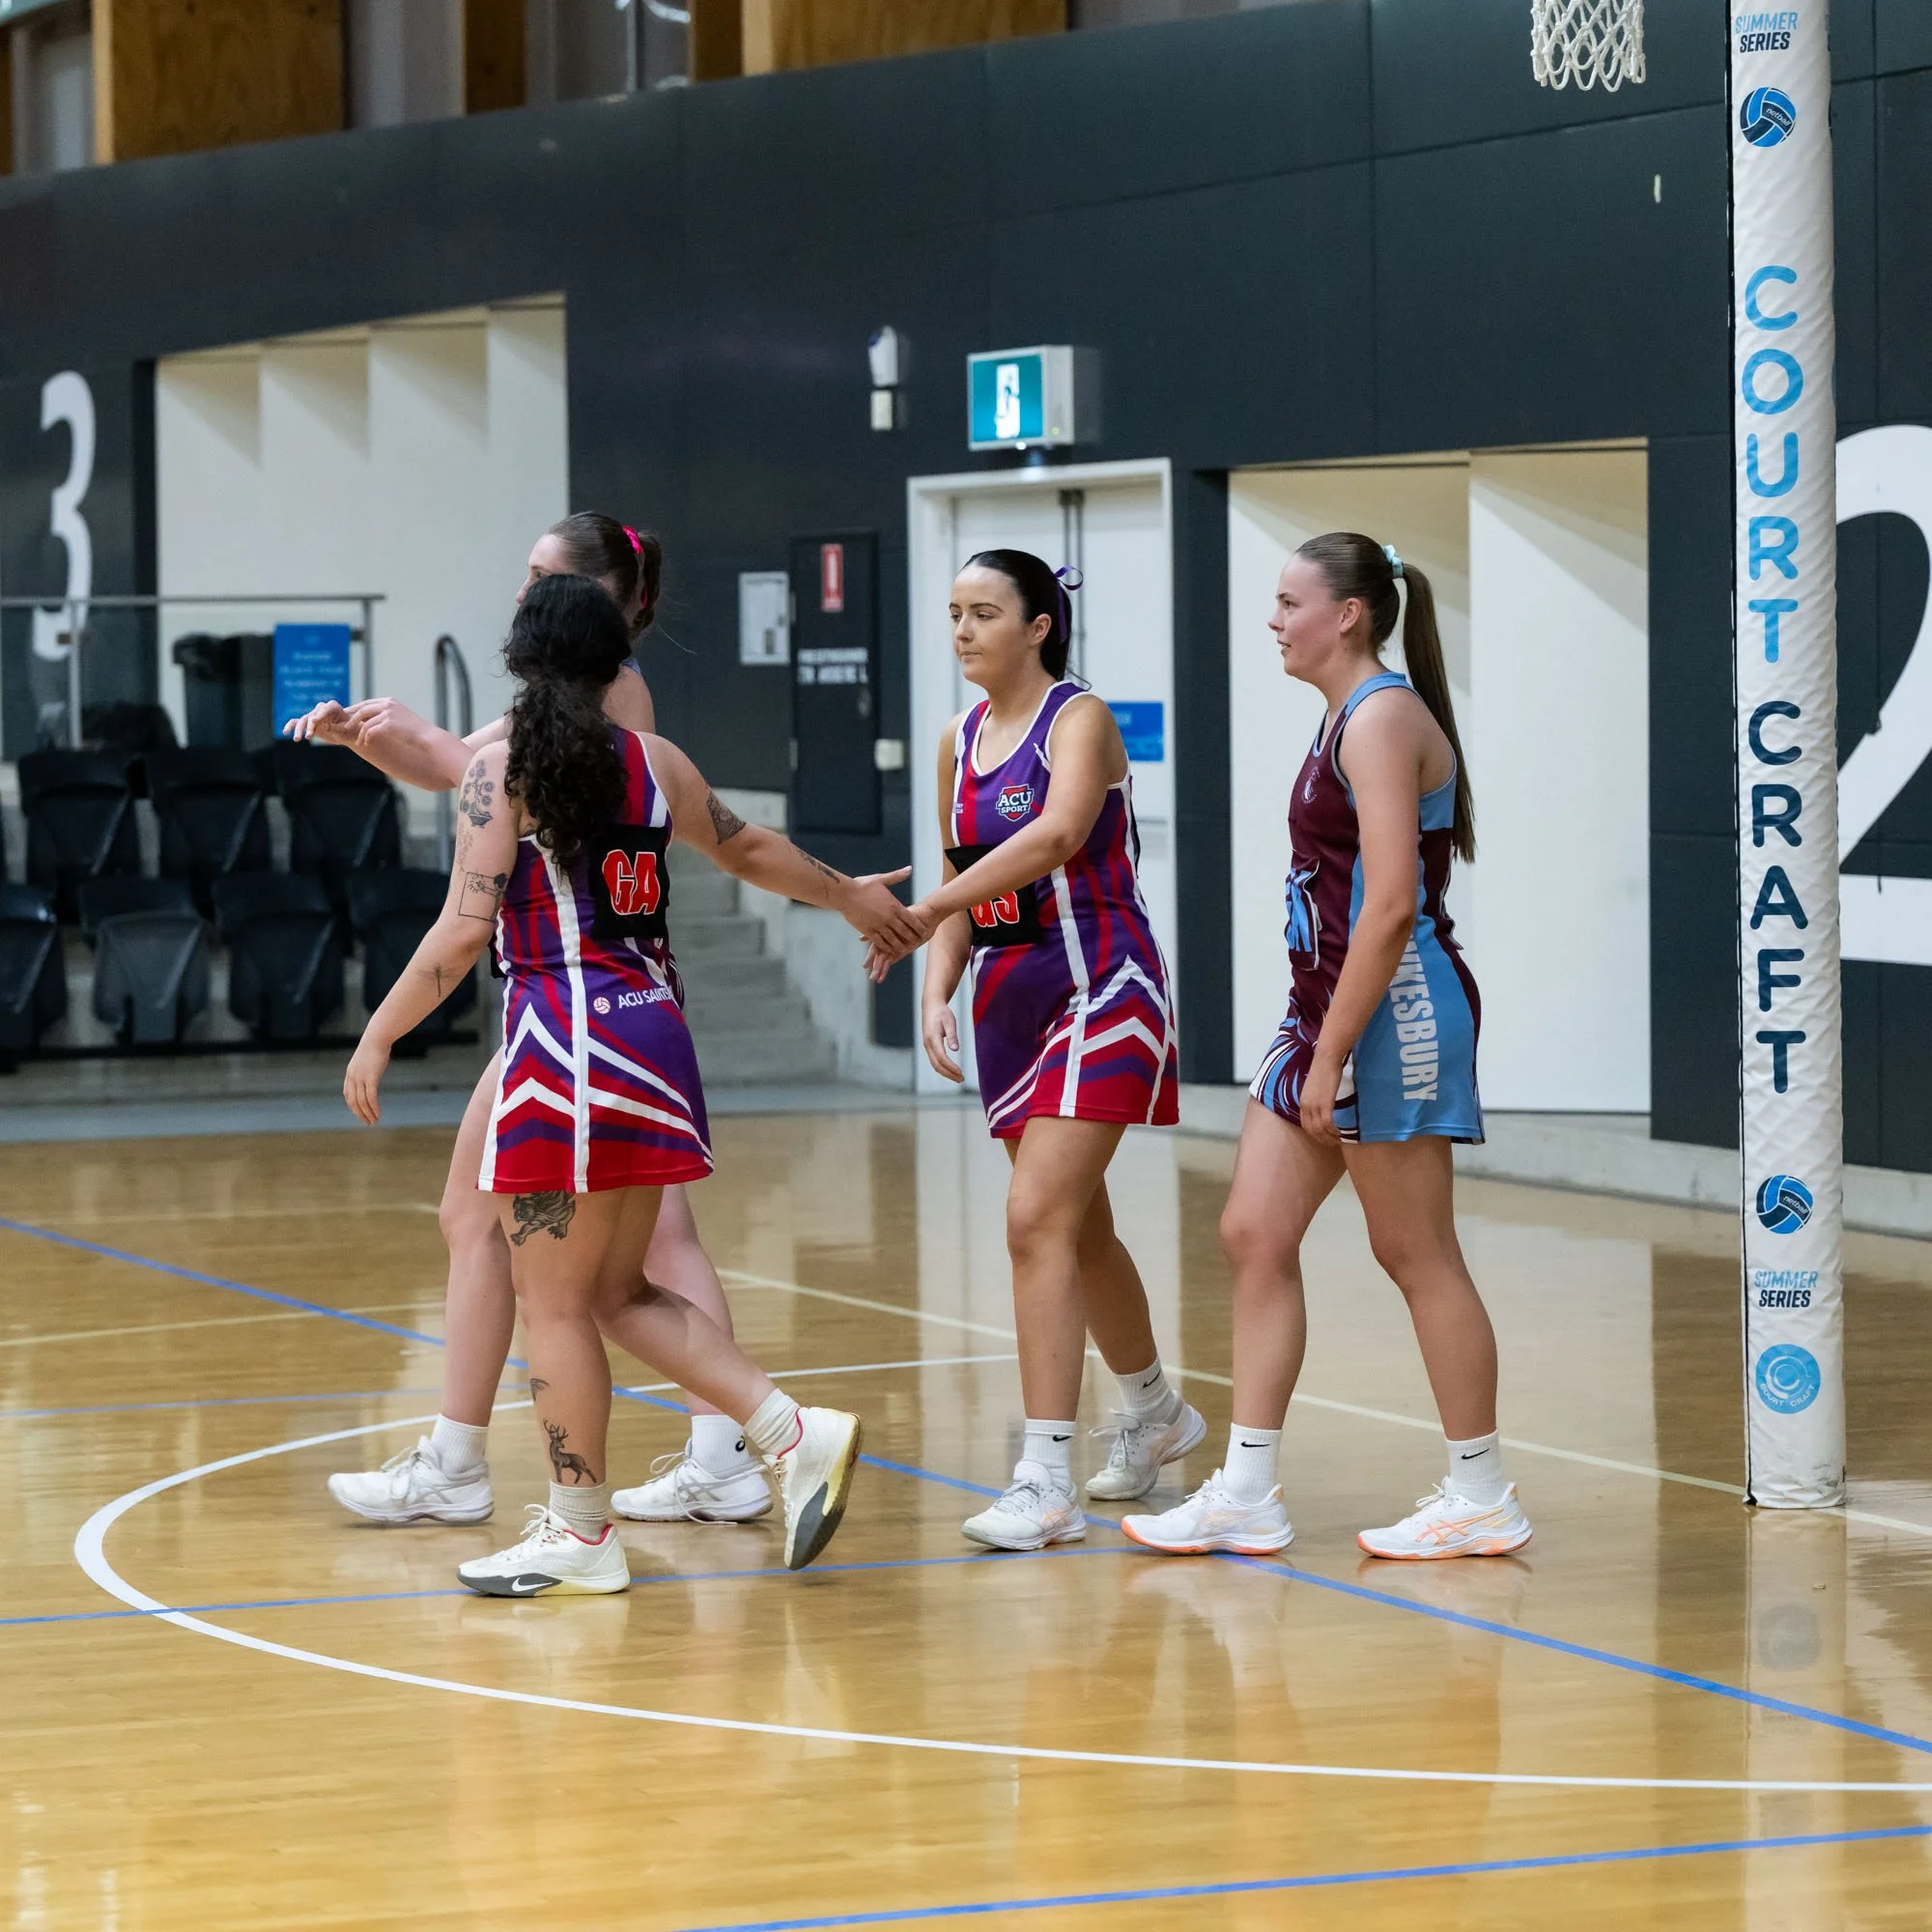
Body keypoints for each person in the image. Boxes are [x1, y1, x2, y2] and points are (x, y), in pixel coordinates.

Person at [295, 514, 881, 1530]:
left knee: (563, 1298)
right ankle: (775, 1434)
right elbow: (748, 846)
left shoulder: (511, 764)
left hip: (567, 1034)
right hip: (652, 1028)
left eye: (536, 579)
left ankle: (579, 1523)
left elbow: (463, 926)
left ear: (527, 652)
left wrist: (378, 1030)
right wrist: (848, 892)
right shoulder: (658, 759)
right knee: (611, 1288)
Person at [1121, 533, 1532, 1562]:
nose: (1272, 620)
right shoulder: (1344, 715)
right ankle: (1245, 1491)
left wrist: (1332, 1050)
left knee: (1415, 1251)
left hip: (1389, 1015)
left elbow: (1389, 906)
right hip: (1322, 1010)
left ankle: (1481, 1492)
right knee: (1252, 1232)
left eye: (1287, 601)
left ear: (1346, 615)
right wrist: (1317, 1037)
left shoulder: (1383, 716)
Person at [874, 549, 1201, 1552]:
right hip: (1009, 999)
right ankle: (1154, 1410)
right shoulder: (956, 740)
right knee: (1076, 1230)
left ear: (1038, 626)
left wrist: (926, 909)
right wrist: (938, 981)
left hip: (1103, 982)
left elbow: (1055, 837)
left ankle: (1044, 1477)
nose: (963, 630)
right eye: (954, 613)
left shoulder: (1079, 719)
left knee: (1031, 1220)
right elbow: (963, 875)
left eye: (984, 612)